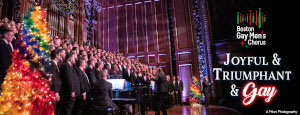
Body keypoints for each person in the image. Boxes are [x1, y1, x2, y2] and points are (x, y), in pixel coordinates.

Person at [50, 49, 62, 114]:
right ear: (56, 55)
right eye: (59, 55)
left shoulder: (55, 65)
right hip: (55, 91)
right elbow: (53, 79)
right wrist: (56, 92)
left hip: (57, 90)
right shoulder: (52, 65)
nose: (60, 56)